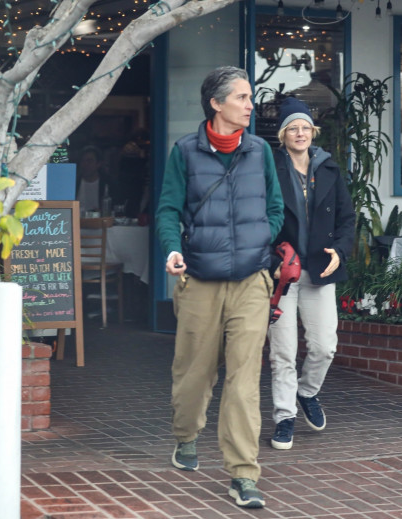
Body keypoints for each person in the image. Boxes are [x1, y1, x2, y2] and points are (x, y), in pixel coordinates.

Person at [155, 66, 284, 509]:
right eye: (243, 98)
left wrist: (259, 241)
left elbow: (275, 206)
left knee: (245, 380)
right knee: (194, 373)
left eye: (250, 98)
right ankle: (186, 435)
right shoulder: (185, 152)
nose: (251, 105)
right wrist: (173, 249)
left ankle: (243, 474)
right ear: (217, 103)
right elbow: (168, 209)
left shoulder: (260, 150)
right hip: (200, 281)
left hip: (251, 280)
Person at [267, 97, 355, 451]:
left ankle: (307, 392)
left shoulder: (330, 169)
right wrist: (267, 259)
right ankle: (284, 417)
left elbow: (347, 220)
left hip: (320, 269)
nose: (299, 132)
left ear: (313, 131)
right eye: (293, 127)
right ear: (283, 134)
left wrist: (342, 250)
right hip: (283, 274)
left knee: (324, 347)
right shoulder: (270, 170)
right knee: (283, 353)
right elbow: (261, 219)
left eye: (305, 127)